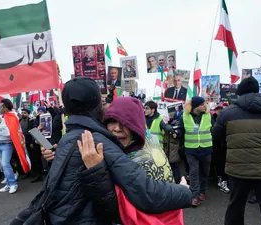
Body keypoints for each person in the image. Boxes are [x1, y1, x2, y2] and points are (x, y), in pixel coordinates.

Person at [12, 77, 191, 224]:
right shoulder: (94, 141)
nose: (117, 129)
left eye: (125, 123)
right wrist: (184, 191)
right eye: (112, 121)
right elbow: (146, 194)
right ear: (98, 106)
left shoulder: (74, 136)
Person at [212, 76, 261, 225]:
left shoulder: (227, 113)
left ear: (239, 92)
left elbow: (215, 135)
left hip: (238, 168)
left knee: (235, 208)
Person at [178, 96, 213, 207]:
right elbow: (181, 131)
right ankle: (194, 196)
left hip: (206, 148)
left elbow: (213, 129)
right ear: (196, 106)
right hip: (191, 149)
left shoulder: (208, 115)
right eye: (202, 104)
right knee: (193, 172)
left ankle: (202, 191)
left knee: (205, 172)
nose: (205, 106)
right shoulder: (184, 116)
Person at [0, 99, 18, 194]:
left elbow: (8, 132)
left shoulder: (12, 116)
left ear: (5, 107)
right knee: (3, 165)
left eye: (1, 106)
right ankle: (8, 183)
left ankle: (13, 184)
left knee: (6, 164)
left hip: (7, 144)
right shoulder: (2, 116)